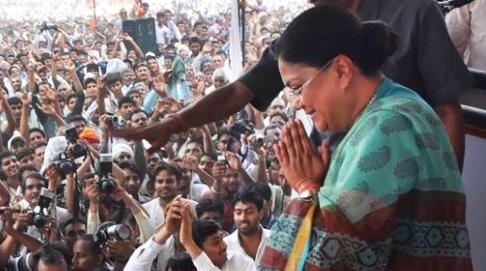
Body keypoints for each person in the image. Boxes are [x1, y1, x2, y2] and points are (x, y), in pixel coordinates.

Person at [204, 7, 474, 271]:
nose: (299, 103)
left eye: (298, 86)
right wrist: (321, 186)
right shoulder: (400, 109)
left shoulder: (387, 129)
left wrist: (304, 192)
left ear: (342, 70)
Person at [117, 0, 473, 170]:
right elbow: (239, 91)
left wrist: (450, 190)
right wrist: (177, 122)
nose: (300, 100)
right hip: (335, 176)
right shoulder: (305, 32)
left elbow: (447, 109)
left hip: (409, 176)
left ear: (344, 70)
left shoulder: (414, 12)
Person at [223, 185, 272, 265]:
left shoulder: (275, 241)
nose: (243, 218)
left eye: (249, 212)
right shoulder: (226, 246)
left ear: (261, 214)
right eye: (238, 213)